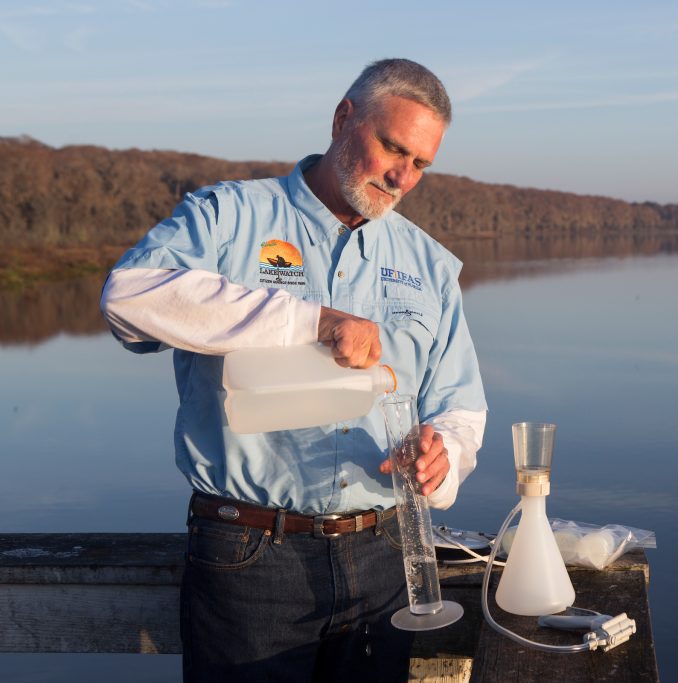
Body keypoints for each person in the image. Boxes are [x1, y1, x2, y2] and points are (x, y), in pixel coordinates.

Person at [100, 58, 487, 682]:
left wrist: (446, 457)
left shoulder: (430, 265)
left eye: (420, 164)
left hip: (388, 554)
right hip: (250, 557)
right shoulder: (228, 217)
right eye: (393, 148)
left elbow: (460, 405)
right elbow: (128, 298)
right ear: (343, 119)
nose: (402, 176)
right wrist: (310, 322)